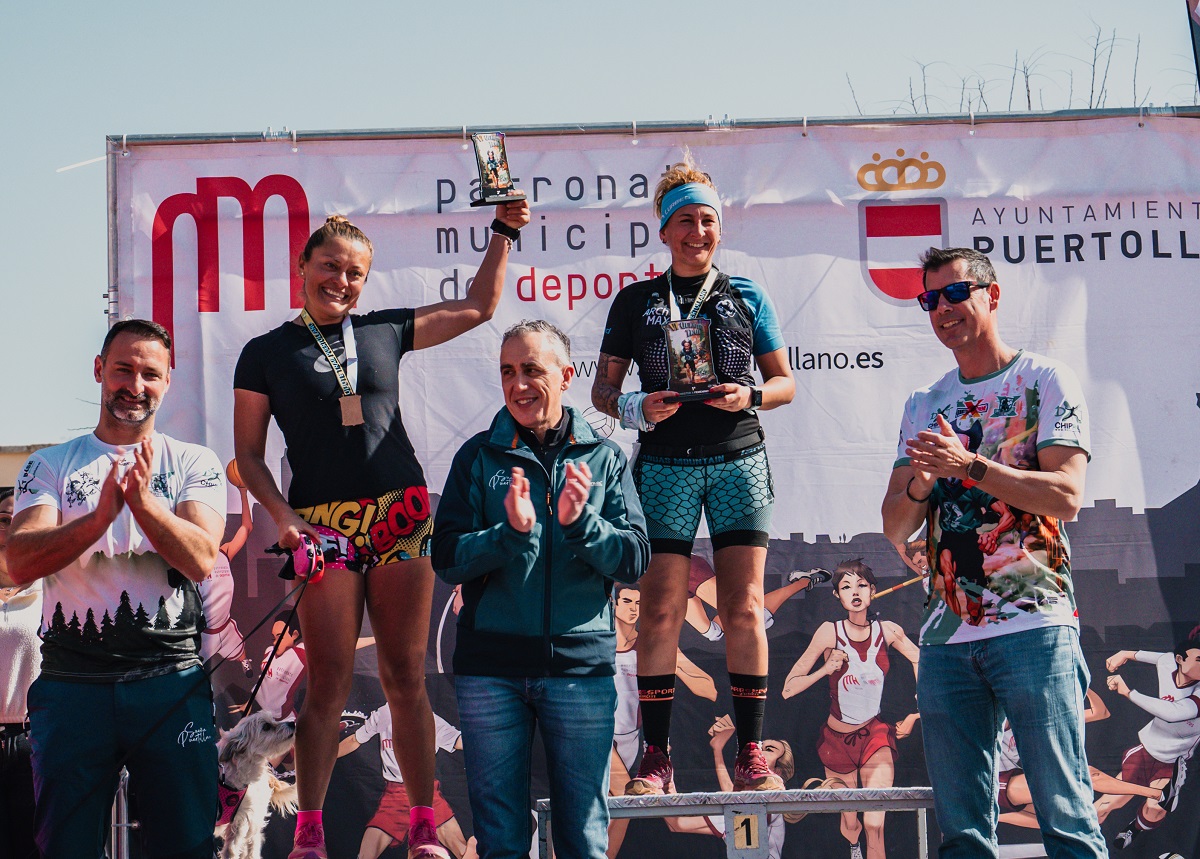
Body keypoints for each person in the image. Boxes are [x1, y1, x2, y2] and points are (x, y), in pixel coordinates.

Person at [233, 201, 528, 859]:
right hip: (322, 529)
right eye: (330, 266)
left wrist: (505, 228)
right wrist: (285, 520)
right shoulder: (264, 353)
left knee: (405, 674)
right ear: (303, 266)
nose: (342, 280)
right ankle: (309, 835)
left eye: (356, 272)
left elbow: (480, 305)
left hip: (400, 519)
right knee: (330, 677)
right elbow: (249, 455)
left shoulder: (385, 330)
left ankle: (424, 826)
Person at [881, 247, 1105, 857]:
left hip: (1035, 625)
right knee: (964, 836)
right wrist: (924, 480)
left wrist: (971, 465)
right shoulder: (924, 401)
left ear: (992, 295)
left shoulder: (1044, 380)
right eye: (930, 300)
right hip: (946, 638)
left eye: (956, 293)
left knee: (1066, 818)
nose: (943, 309)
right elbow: (895, 524)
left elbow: (1067, 495)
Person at [591, 154, 795, 795]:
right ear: (663, 228)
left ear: (719, 227)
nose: (697, 233)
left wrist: (751, 396)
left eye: (707, 220)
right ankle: (656, 757)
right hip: (666, 467)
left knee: (744, 609)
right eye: (684, 221)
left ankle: (752, 753)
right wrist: (634, 406)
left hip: (739, 459)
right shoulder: (636, 301)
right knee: (658, 613)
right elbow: (602, 389)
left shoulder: (747, 296)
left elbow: (785, 383)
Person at [8, 319, 227, 859]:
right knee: (65, 847)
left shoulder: (195, 461)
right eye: (123, 369)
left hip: (170, 684)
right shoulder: (49, 464)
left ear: (168, 380)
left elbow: (201, 558)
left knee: (186, 845)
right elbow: (20, 561)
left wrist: (146, 505)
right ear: (100, 370)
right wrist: (98, 517)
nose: (135, 384)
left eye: (150, 373)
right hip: (72, 686)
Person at [432, 320, 649, 859]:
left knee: (583, 834)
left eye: (532, 369)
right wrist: (509, 534)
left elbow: (635, 558)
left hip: (581, 671)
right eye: (508, 371)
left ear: (567, 376)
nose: (518, 384)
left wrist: (582, 527)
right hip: (491, 671)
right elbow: (447, 558)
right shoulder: (478, 457)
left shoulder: (604, 457)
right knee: (500, 836)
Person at [781, 559, 920, 859]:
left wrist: (919, 710)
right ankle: (853, 846)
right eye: (846, 586)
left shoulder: (889, 631)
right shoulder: (829, 632)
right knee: (851, 822)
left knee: (875, 823)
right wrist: (824, 669)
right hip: (836, 740)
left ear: (872, 591)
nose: (854, 592)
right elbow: (788, 688)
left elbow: (921, 659)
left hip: (875, 737)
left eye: (861, 585)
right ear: (837, 596)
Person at [1098, 636, 1200, 849]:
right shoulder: (1167, 661)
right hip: (1146, 751)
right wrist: (1123, 654)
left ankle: (1134, 828)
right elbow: (1145, 655)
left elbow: (1174, 713)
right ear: (1180, 659)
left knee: (1155, 809)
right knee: (1106, 805)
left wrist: (1128, 692)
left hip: (1174, 760)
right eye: (1199, 659)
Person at [337, 703, 469, 859]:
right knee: (366, 854)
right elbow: (354, 740)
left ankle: (424, 840)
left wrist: (495, 742)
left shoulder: (430, 720)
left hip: (426, 795)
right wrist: (319, 762)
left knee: (463, 851)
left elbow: (459, 741)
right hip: (394, 797)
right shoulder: (383, 714)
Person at [663, 715, 795, 859]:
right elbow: (678, 823)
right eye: (759, 747)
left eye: (768, 749)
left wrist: (717, 751)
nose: (759, 752)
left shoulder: (772, 800)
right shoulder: (741, 810)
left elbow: (739, 803)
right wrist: (664, 770)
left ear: (778, 771)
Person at [1, 487, 41, 859]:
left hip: (36, 744)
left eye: (20, 521)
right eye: (2, 521)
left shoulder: (54, 590)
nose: (11, 531)